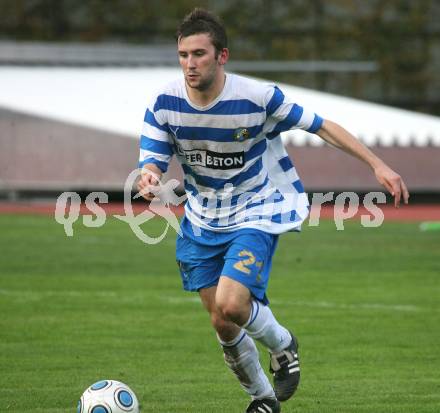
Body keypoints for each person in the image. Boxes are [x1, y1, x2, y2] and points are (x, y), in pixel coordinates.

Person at [137, 8, 409, 413]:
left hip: (256, 210)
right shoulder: (165, 103)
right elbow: (152, 161)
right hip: (201, 219)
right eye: (182, 55)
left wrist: (377, 164)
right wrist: (148, 178)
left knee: (232, 303)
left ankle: (283, 345)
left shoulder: (257, 97)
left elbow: (322, 125)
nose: (189, 64)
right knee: (223, 323)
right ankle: (263, 400)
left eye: (198, 54)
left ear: (222, 56)